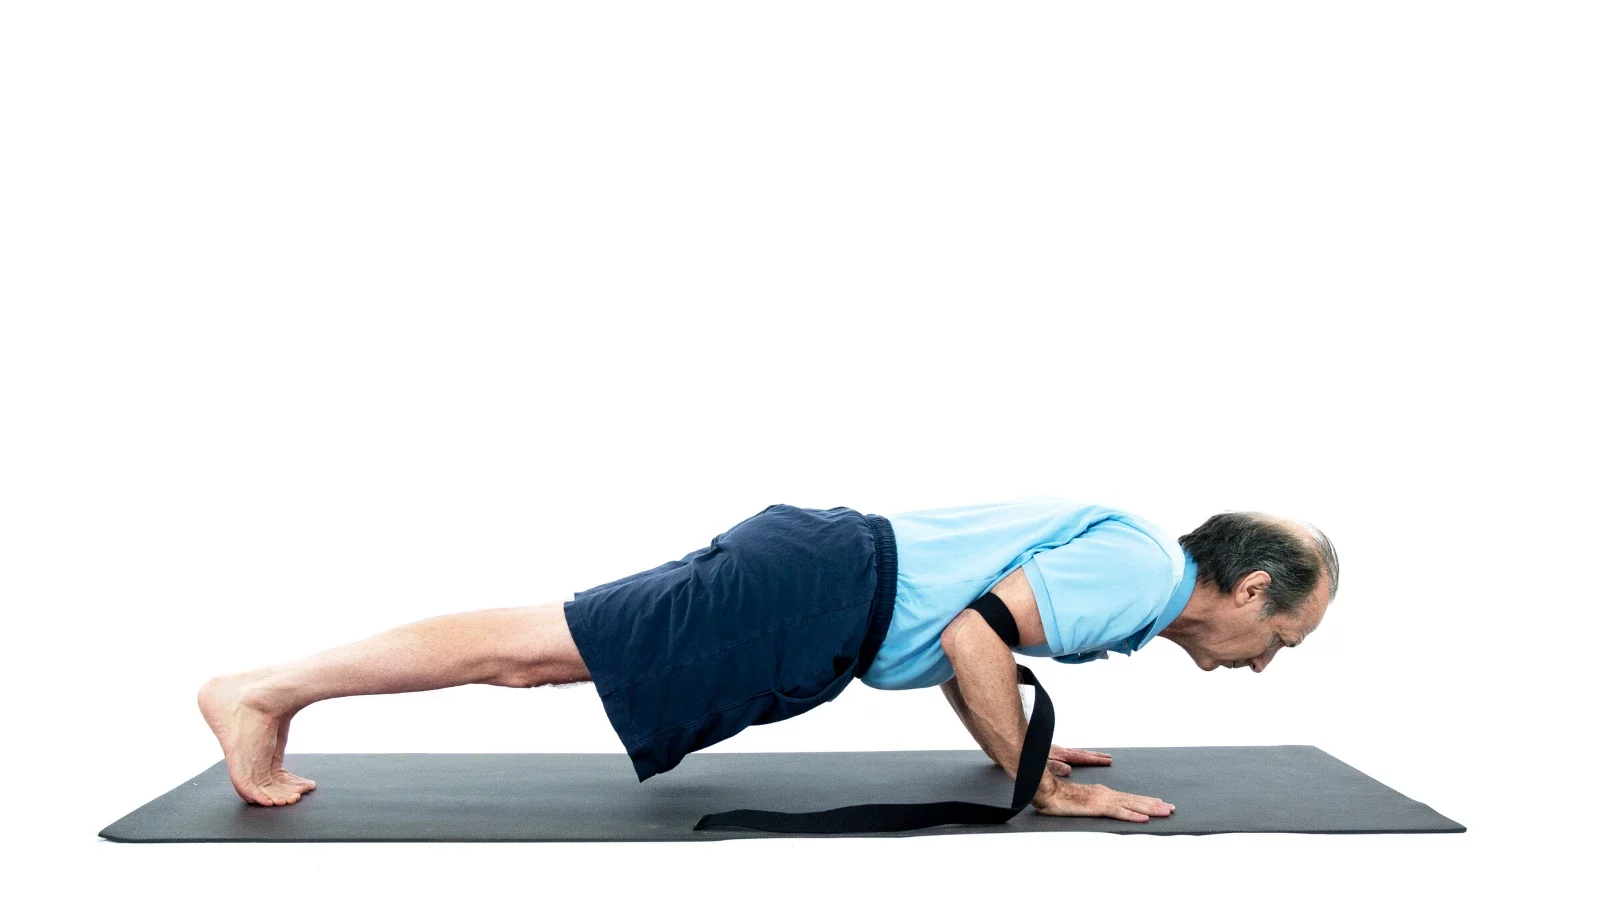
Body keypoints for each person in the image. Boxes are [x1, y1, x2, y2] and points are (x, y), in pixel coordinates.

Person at [198, 497, 1338, 824]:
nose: (1263, 661)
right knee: (537, 655)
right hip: (822, 587)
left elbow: (969, 632)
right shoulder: (1142, 576)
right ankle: (264, 689)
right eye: (1279, 637)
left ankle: (271, 688)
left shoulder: (1129, 580)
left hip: (826, 577)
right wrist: (1040, 783)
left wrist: (1024, 740)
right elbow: (969, 634)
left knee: (547, 652)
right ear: (1245, 591)